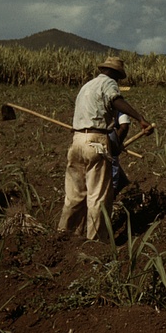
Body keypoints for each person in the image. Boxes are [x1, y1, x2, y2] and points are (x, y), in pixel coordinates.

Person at [58, 57, 151, 242]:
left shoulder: (86, 86)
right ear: (115, 74)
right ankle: (95, 242)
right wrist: (140, 118)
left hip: (76, 141)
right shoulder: (108, 83)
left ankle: (65, 236)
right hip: (96, 141)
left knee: (74, 196)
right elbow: (116, 100)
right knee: (97, 197)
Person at [107, 112, 133, 196]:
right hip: (107, 135)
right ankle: (112, 192)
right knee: (112, 160)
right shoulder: (116, 101)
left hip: (84, 136)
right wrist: (117, 145)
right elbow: (124, 126)